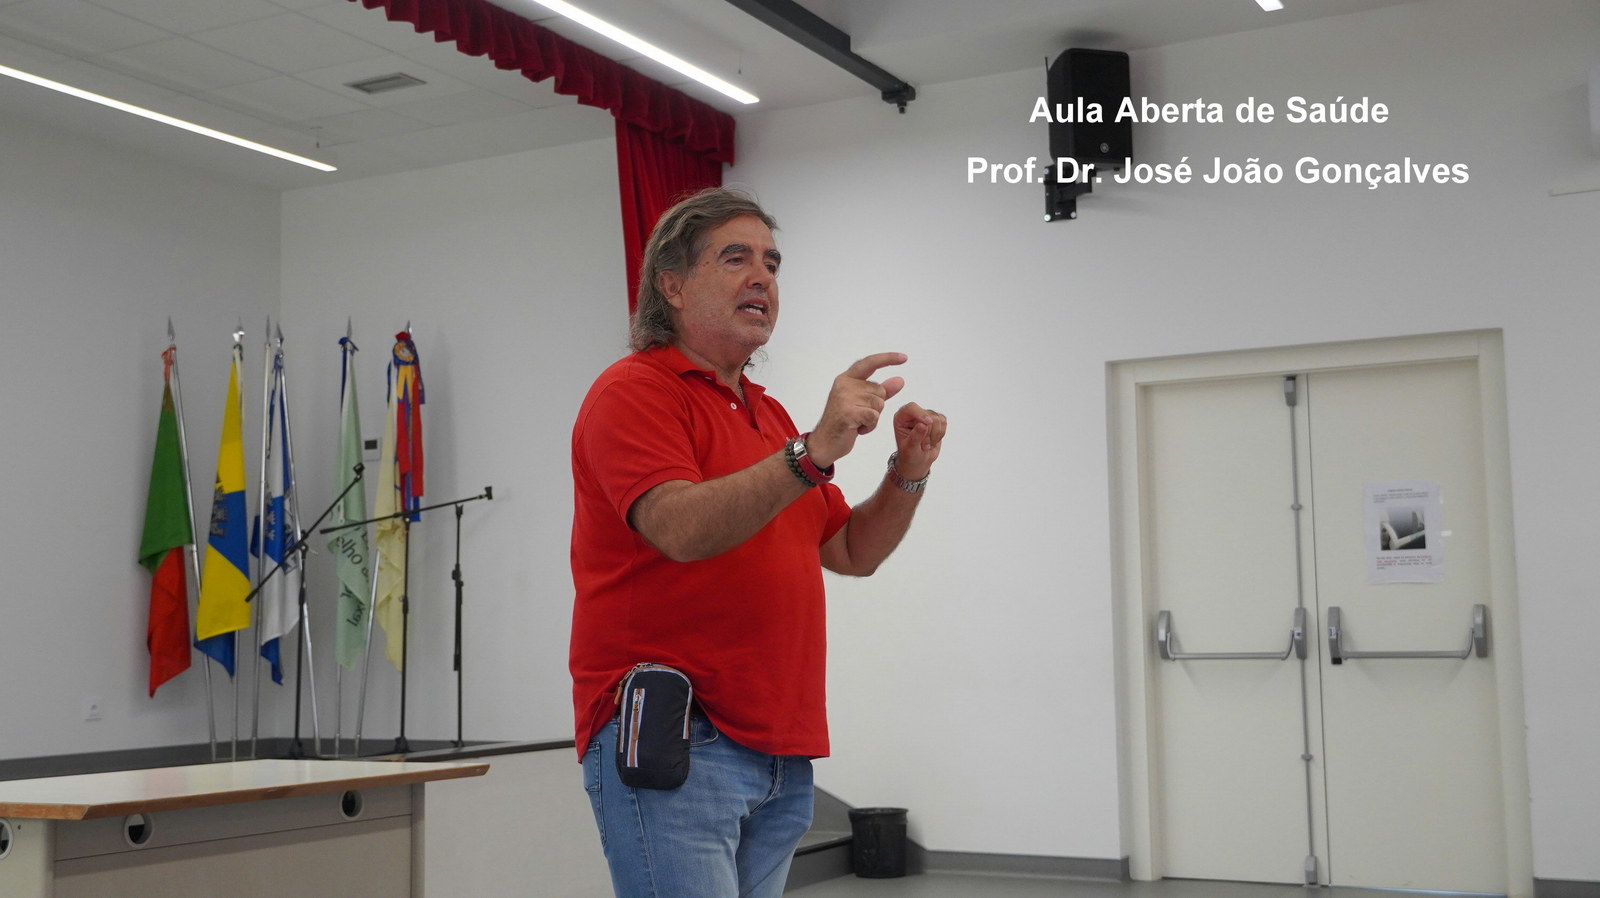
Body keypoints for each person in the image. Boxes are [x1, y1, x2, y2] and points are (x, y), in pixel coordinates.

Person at [569, 187, 947, 898]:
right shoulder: (633, 392)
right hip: (680, 734)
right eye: (735, 258)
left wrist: (908, 472)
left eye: (772, 264)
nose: (762, 279)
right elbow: (679, 528)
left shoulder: (766, 415)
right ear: (672, 285)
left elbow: (851, 551)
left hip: (779, 746)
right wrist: (811, 452)